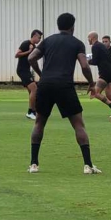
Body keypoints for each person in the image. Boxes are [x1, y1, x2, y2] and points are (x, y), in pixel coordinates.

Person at [27, 13, 102, 174]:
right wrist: (91, 83)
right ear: (72, 27)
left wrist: (41, 74)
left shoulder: (48, 41)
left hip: (45, 85)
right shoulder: (77, 43)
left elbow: (31, 58)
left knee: (39, 123)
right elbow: (84, 66)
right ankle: (88, 165)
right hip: (64, 85)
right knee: (78, 124)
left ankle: (34, 164)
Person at [16, 30, 43, 120]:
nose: (39, 39)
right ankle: (30, 112)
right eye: (39, 37)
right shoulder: (26, 43)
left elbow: (33, 61)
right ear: (34, 36)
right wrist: (29, 51)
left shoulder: (34, 46)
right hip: (22, 70)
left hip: (27, 70)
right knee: (34, 88)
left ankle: (34, 112)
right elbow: (17, 54)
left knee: (32, 91)